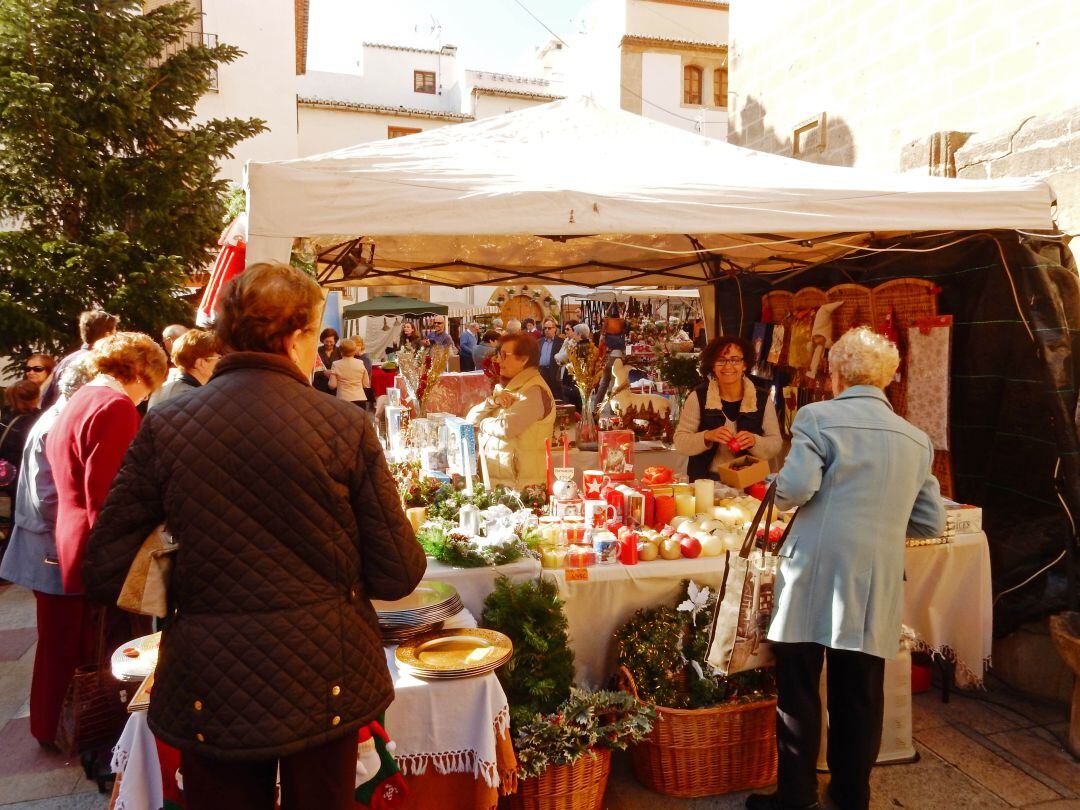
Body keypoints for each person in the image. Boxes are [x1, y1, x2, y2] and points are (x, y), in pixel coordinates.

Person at [84, 263, 426, 810]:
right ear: (293, 337)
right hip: (325, 673)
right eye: (314, 335)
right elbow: (398, 573)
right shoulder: (342, 425)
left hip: (209, 677)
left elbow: (104, 563)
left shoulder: (167, 424)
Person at [747, 327, 946, 810]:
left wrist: (775, 480)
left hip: (814, 569)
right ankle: (852, 792)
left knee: (799, 687)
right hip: (875, 574)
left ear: (836, 375)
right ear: (886, 379)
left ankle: (797, 794)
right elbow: (929, 521)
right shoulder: (915, 438)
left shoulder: (818, 417)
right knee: (859, 690)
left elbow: (794, 491)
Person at [0, 358, 96, 747]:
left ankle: (54, 724)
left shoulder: (57, 416)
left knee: (60, 646)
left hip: (51, 550)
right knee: (59, 647)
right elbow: (52, 499)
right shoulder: (59, 420)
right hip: (53, 553)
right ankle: (50, 727)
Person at [673, 336, 782, 481]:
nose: (728, 366)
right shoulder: (698, 397)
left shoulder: (761, 399)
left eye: (735, 360)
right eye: (721, 360)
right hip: (706, 481)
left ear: (744, 365)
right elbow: (680, 442)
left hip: (749, 480)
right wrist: (707, 436)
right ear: (712, 365)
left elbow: (776, 444)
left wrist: (754, 441)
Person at [467, 333, 555, 490]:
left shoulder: (533, 390)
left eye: (504, 355)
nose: (498, 360)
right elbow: (470, 419)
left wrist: (483, 423)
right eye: (498, 354)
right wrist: (492, 402)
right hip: (501, 485)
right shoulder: (507, 388)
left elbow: (506, 428)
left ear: (524, 359)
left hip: (522, 490)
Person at [40, 310, 119, 409]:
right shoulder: (100, 364)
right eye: (115, 332)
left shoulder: (66, 361)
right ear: (107, 335)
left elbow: (45, 400)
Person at [150, 329, 222, 408]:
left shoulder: (160, 390)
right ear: (201, 363)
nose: (223, 361)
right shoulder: (197, 399)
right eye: (219, 358)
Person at [1, 380, 43, 497]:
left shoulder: (6, 417)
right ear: (35, 398)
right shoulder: (37, 420)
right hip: (25, 474)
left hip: (8, 470)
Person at [328, 338, 371, 409]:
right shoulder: (360, 363)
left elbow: (332, 385)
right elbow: (366, 384)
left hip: (343, 398)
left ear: (341, 351)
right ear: (354, 351)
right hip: (360, 398)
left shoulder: (336, 364)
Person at [537, 318, 563, 397]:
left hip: (553, 372)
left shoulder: (560, 342)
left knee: (554, 395)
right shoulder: (539, 342)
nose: (547, 330)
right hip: (542, 371)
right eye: (545, 328)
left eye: (549, 328)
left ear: (554, 329)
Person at [313, 328, 341, 395]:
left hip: (336, 388)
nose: (328, 344)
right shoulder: (316, 351)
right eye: (326, 341)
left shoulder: (340, 352)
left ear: (335, 341)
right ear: (322, 340)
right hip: (319, 387)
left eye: (331, 342)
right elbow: (311, 370)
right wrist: (323, 373)